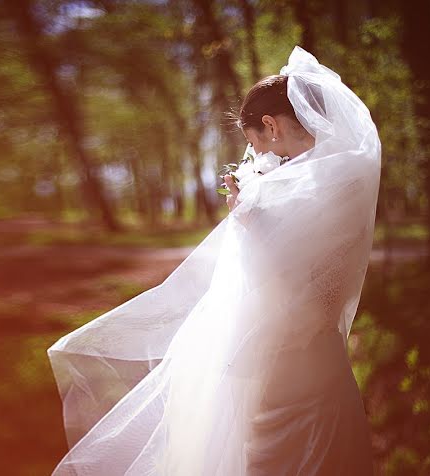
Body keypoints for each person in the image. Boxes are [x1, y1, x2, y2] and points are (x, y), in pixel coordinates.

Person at [47, 46, 381, 475]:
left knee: (273, 454)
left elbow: (284, 279)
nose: (261, 155)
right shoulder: (344, 172)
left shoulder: (312, 184)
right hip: (321, 353)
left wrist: (249, 218)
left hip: (287, 358)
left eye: (256, 142)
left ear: (270, 125)